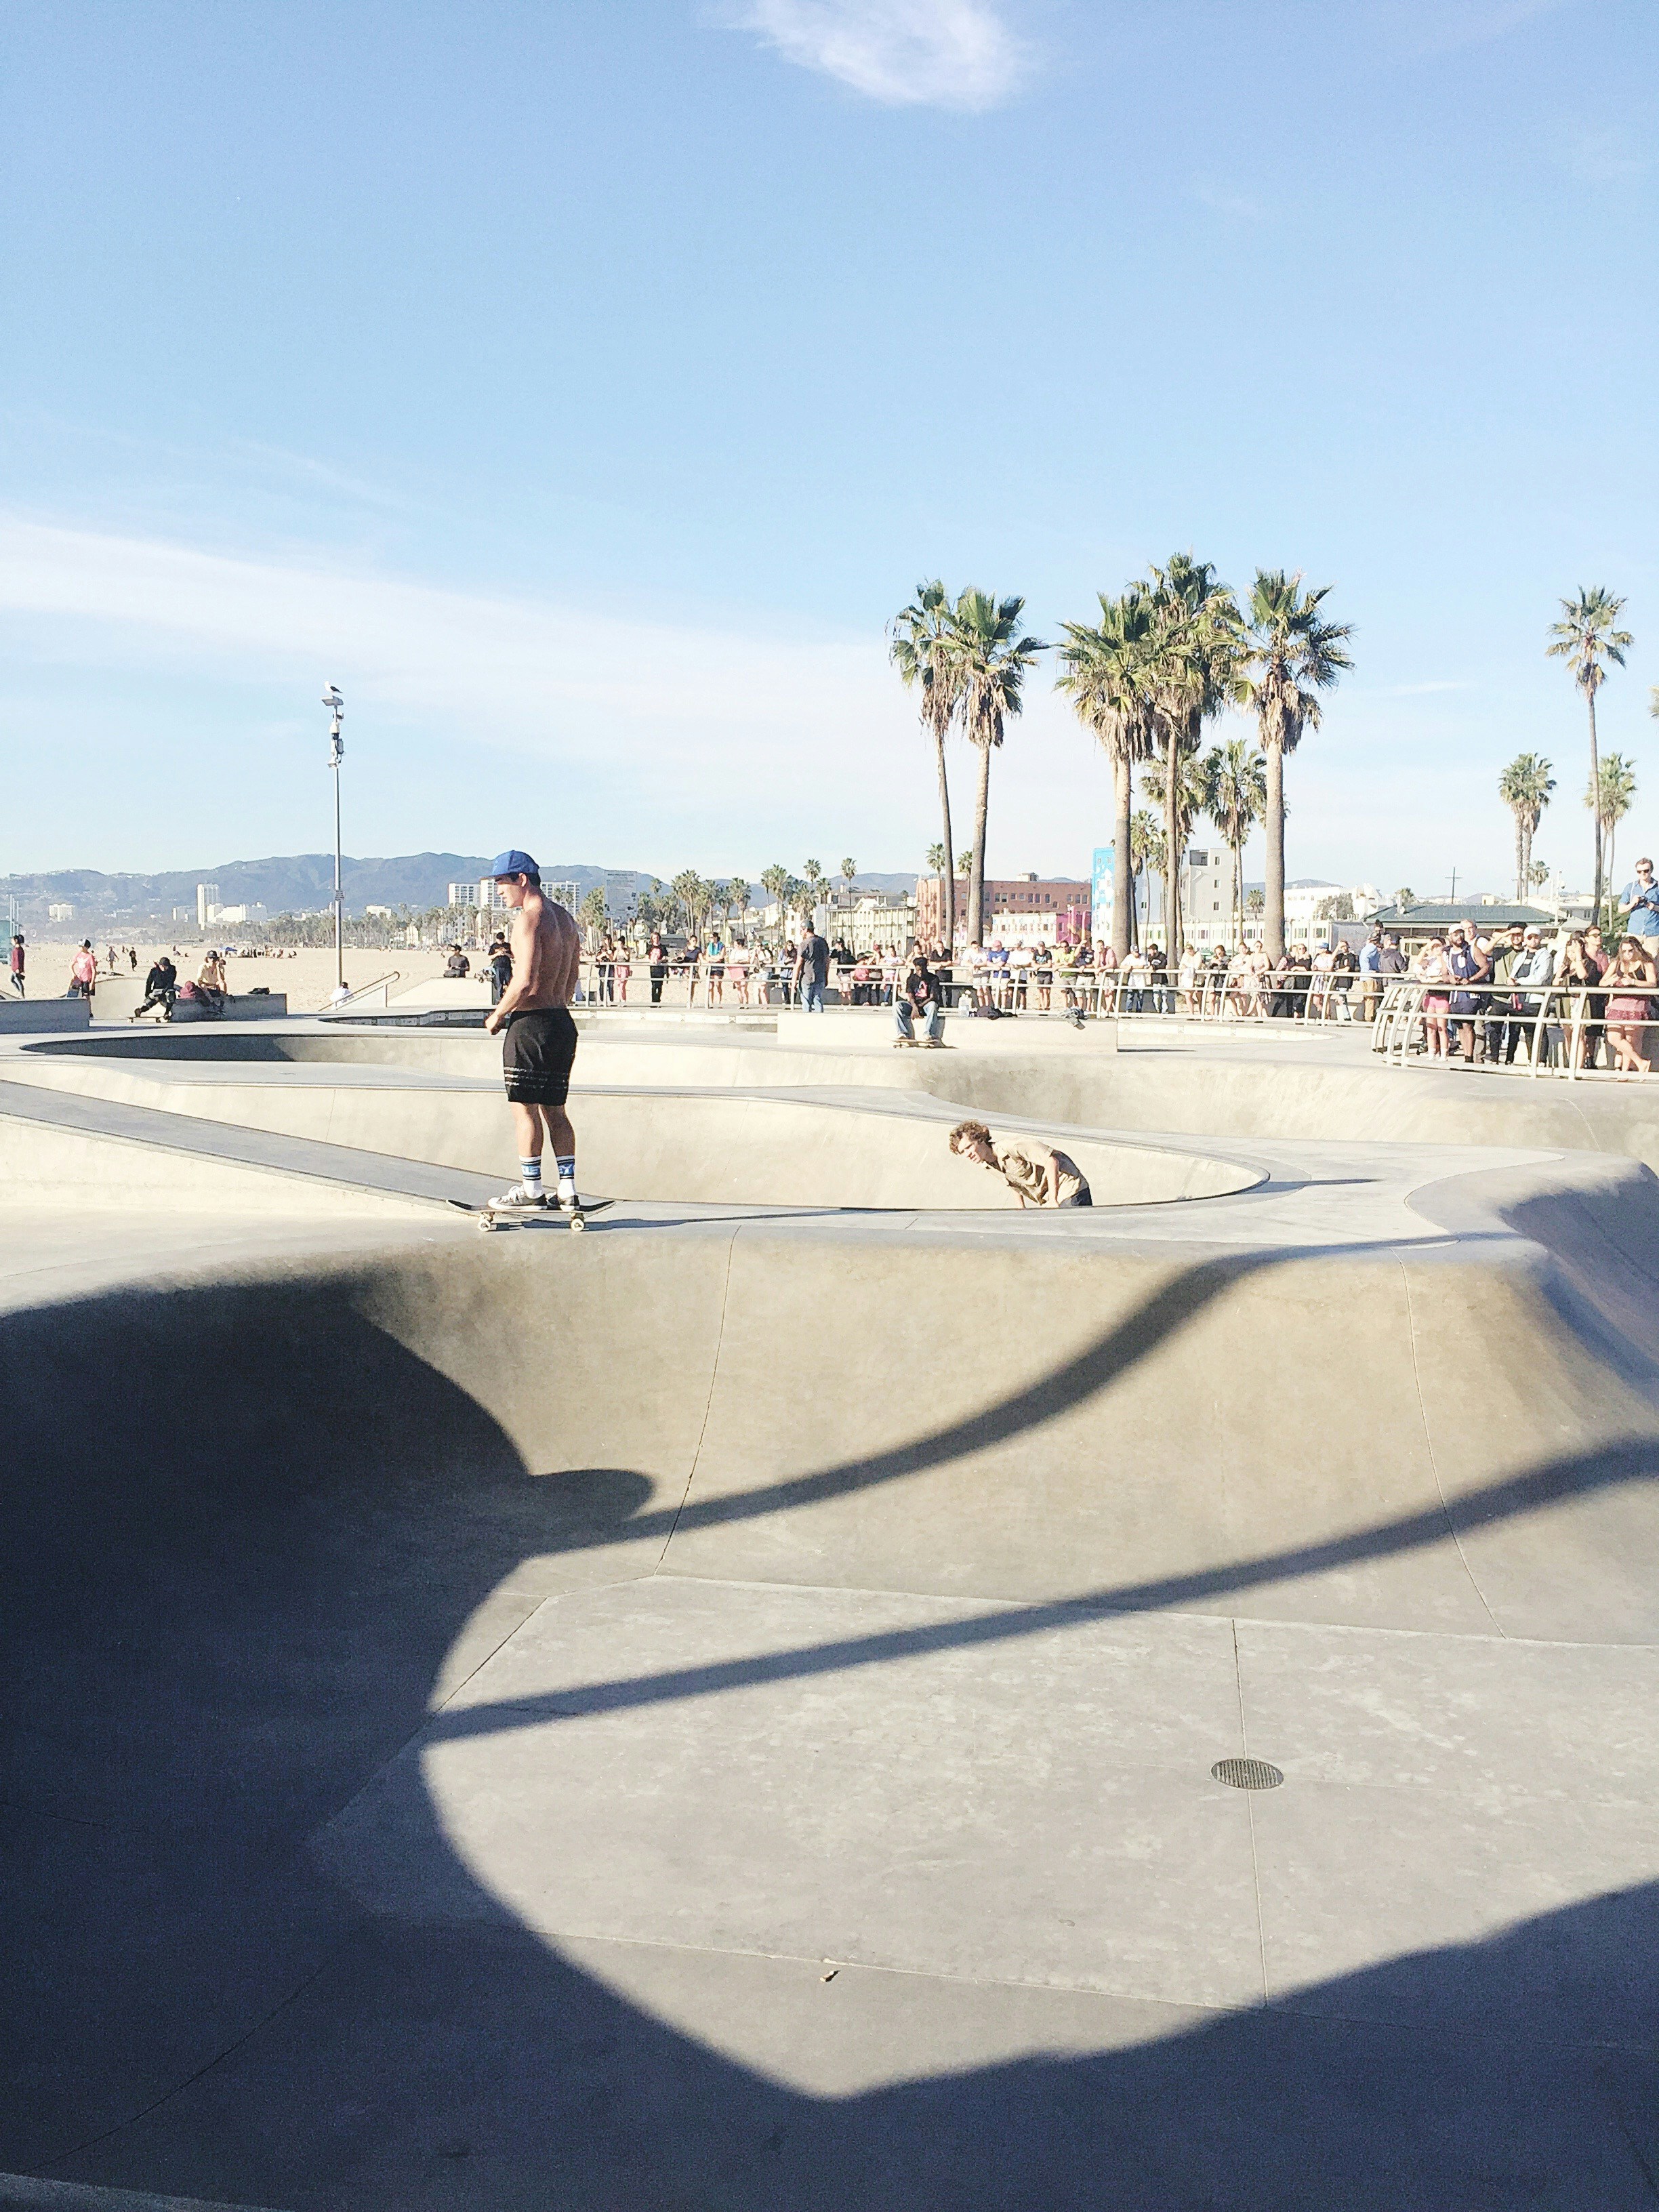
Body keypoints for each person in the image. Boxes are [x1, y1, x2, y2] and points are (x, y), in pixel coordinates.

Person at [482, 851, 583, 1214]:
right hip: (561, 1023)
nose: (499, 892)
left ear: (522, 880)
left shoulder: (528, 920)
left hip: (531, 1025)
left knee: (524, 1111)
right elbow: (571, 977)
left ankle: (532, 1189)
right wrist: (556, 1002)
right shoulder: (567, 920)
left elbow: (523, 981)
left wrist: (497, 1015)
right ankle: (568, 1188)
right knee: (556, 1110)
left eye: (502, 883)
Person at [948, 1119, 1092, 1207]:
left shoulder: (1013, 1146)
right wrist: (1020, 1208)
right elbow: (1014, 1182)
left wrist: (1054, 1201)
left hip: (1070, 1190)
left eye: (968, 1147)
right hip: (1049, 1200)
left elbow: (1051, 1161)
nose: (968, 1154)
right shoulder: (987, 1164)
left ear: (980, 1139)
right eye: (963, 1152)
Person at [1603, 935, 1657, 1077]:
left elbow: (1652, 983)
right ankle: (1640, 1063)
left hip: (1637, 1004)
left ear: (1637, 950)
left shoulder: (1646, 964)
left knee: (1631, 1039)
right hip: (1618, 1004)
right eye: (1624, 951)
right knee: (1613, 1037)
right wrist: (1611, 980)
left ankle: (1626, 1072)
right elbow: (1602, 983)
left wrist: (1633, 981)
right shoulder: (1616, 964)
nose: (1627, 954)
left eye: (1630, 951)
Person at [893, 950, 946, 1047]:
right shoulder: (911, 979)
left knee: (933, 1005)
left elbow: (932, 997)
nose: (920, 973)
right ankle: (902, 1033)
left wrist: (918, 1007)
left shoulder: (934, 979)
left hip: (926, 1005)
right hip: (914, 1005)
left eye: (922, 970)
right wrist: (914, 1007)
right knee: (897, 1005)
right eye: (918, 970)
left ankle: (928, 1033)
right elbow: (910, 995)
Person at [1620, 857, 1659, 947]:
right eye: (1639, 871)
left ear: (1651, 870)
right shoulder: (1631, 887)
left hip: (1653, 933)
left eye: (1646, 870)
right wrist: (1632, 904)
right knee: (1632, 960)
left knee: (1650, 960)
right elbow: (1621, 909)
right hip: (1634, 932)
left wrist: (1655, 907)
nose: (1643, 873)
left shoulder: (1658, 887)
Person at [793, 922, 830, 1012]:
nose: (801, 932)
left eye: (801, 930)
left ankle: (807, 1023)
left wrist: (794, 981)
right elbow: (827, 961)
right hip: (820, 976)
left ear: (806, 930)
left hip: (807, 978)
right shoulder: (822, 942)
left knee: (806, 1003)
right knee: (818, 1001)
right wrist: (826, 976)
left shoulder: (804, 944)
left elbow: (798, 964)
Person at [134, 954, 177, 1021]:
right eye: (163, 966)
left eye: (167, 967)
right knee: (151, 1001)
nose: (165, 968)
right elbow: (149, 982)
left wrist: (163, 993)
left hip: (167, 989)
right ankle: (140, 1011)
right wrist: (147, 993)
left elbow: (170, 983)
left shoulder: (172, 971)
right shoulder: (154, 971)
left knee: (170, 995)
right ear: (160, 965)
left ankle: (167, 1013)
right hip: (157, 990)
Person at [8, 933, 24, 998]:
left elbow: (18, 960)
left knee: (18, 981)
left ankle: (22, 994)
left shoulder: (17, 950)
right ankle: (20, 992)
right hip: (15, 968)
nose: (12, 942)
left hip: (16, 968)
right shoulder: (18, 949)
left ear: (16, 941)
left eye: (12, 941)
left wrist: (18, 968)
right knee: (12, 979)